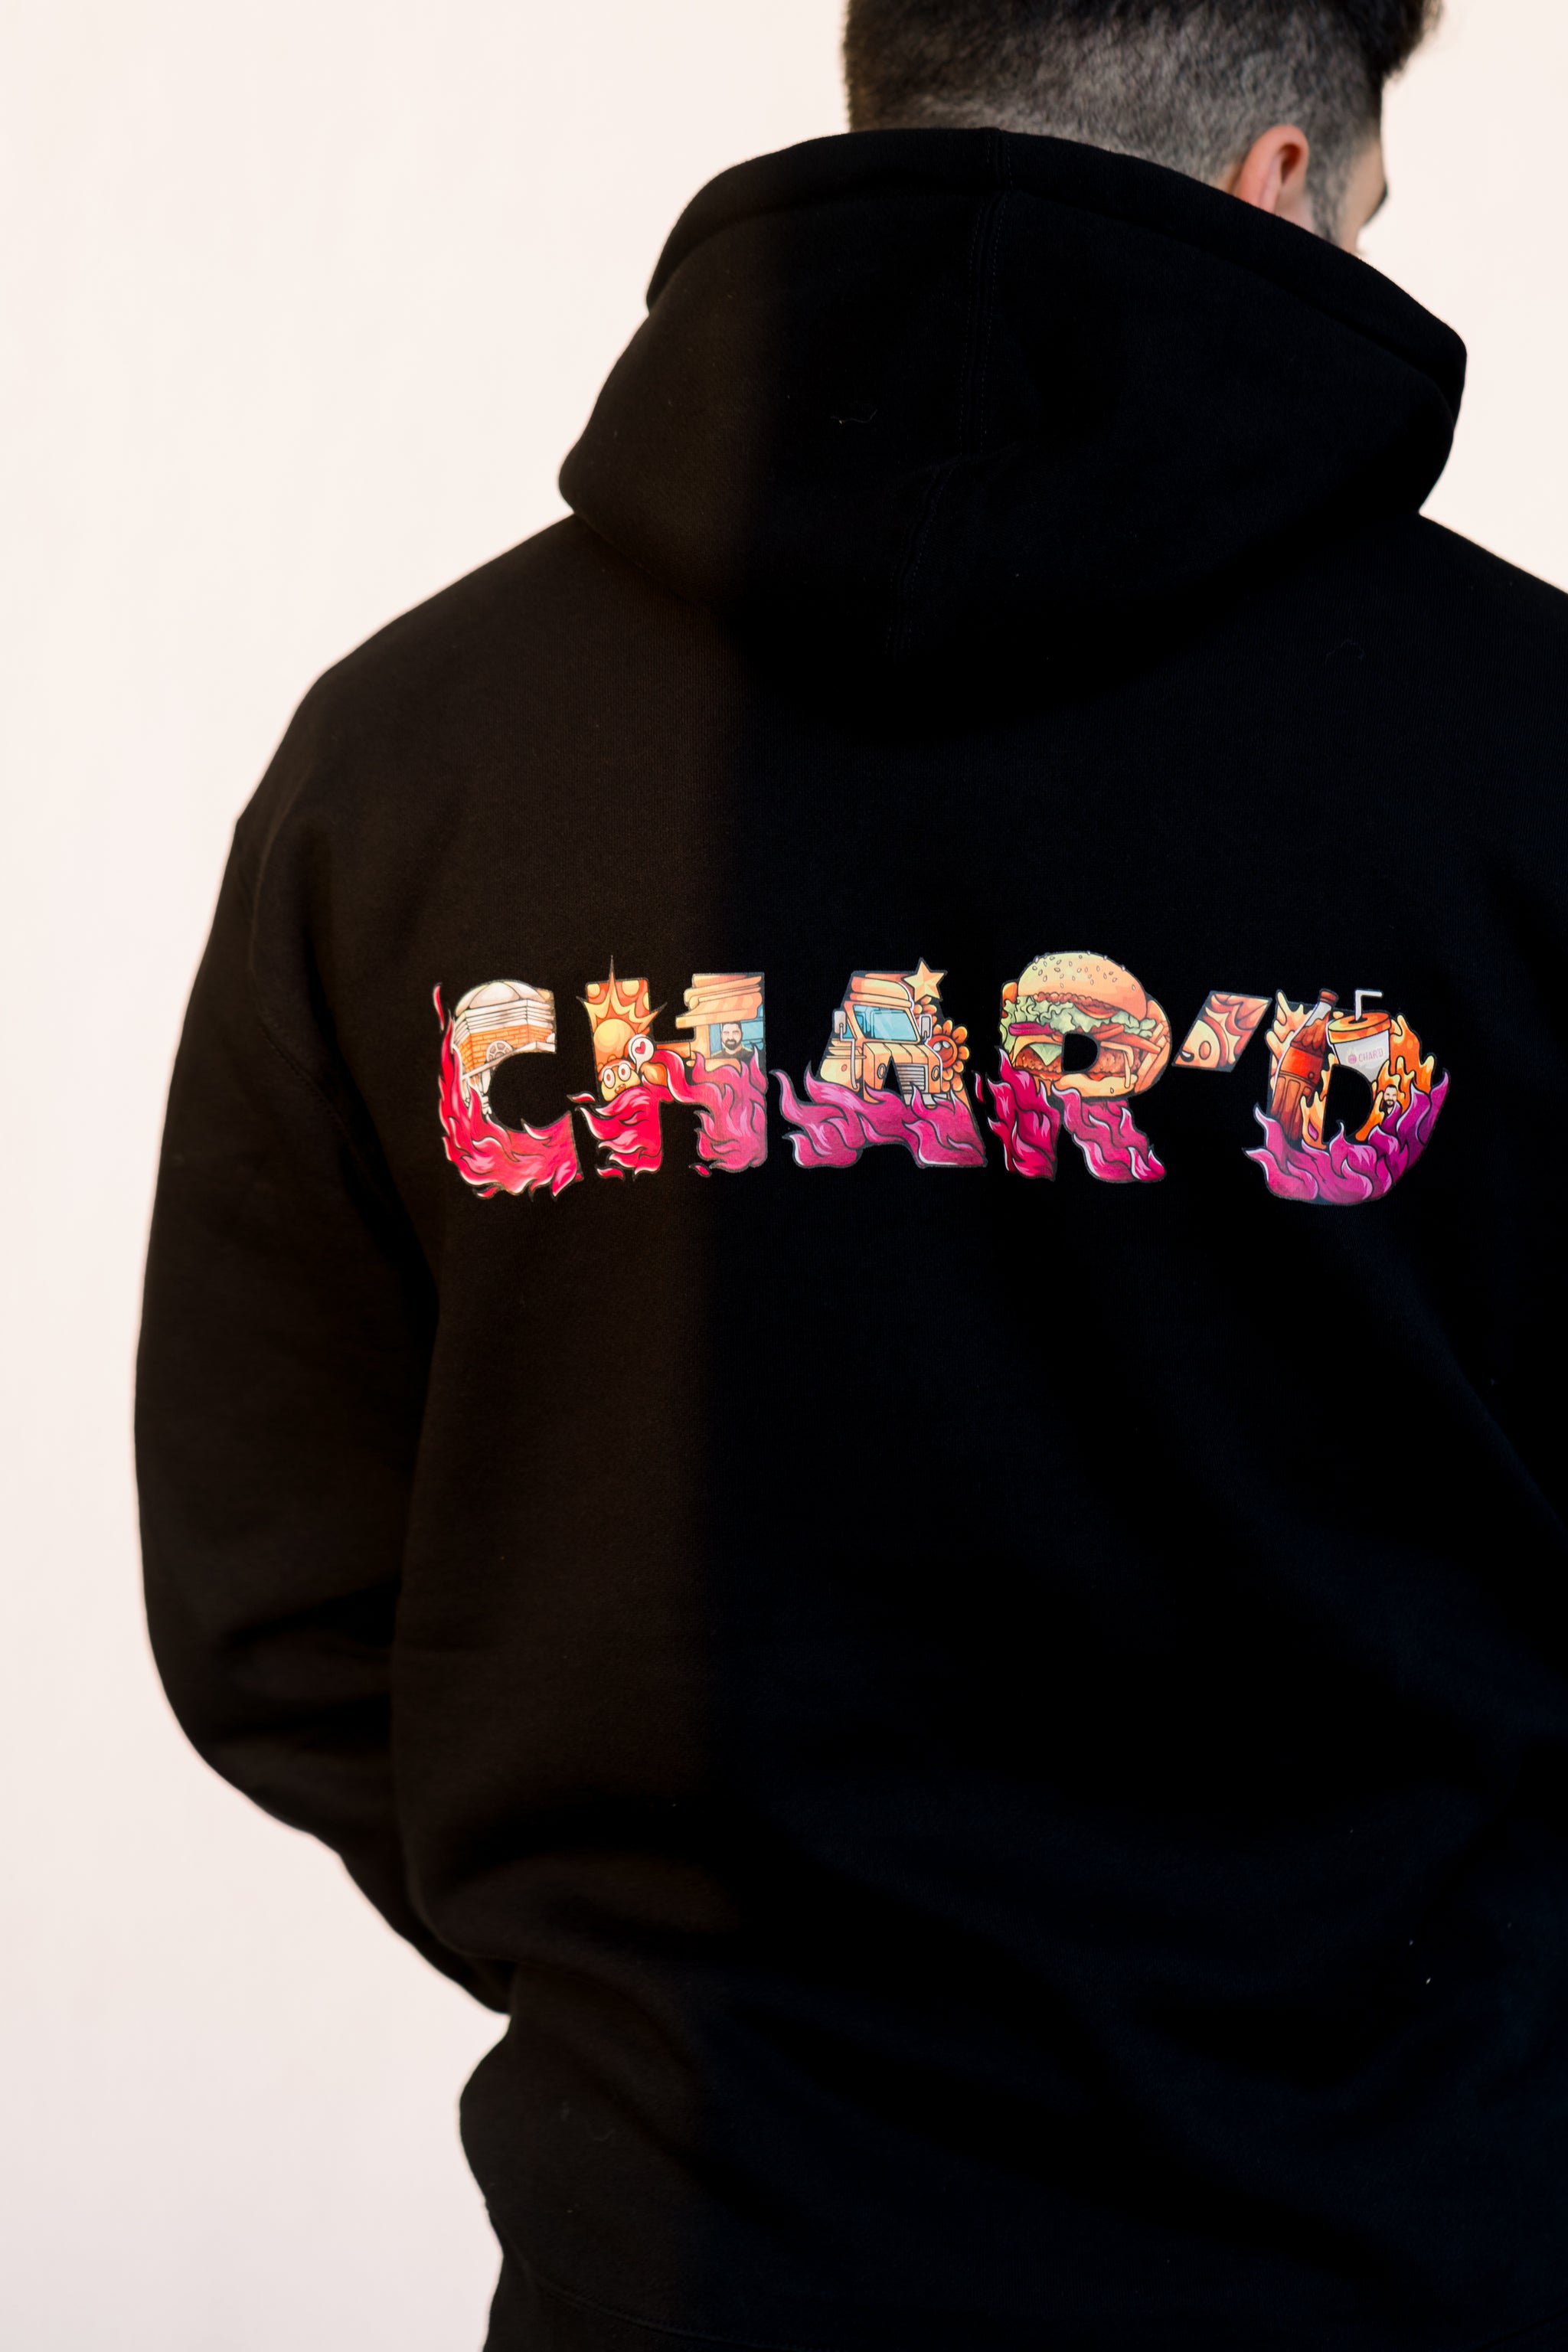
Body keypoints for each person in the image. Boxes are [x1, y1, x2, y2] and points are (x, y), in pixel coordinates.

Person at [136, 4, 1568, 2347]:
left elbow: (277, 1593)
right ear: (1281, 177)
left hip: (684, 2261)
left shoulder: (415, 753)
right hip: (1397, 2255)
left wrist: (675, 1983)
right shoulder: (1529, 752)